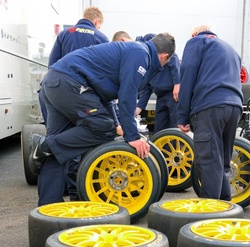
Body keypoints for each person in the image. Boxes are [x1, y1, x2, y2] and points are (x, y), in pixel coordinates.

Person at [29, 33, 176, 206]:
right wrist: (132, 136)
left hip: (55, 82)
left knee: (57, 150)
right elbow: (127, 95)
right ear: (164, 56)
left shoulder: (133, 51)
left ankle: (48, 206)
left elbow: (105, 97)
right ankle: (45, 144)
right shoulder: (141, 54)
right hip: (71, 84)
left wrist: (118, 124)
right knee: (103, 129)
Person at [39, 6, 120, 201]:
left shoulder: (65, 34)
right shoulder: (100, 37)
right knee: (87, 140)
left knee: (56, 146)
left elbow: (52, 65)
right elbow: (102, 81)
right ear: (97, 22)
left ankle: (48, 204)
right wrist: (116, 121)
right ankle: (79, 194)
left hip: (55, 89)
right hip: (83, 96)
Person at [177, 25, 243, 201]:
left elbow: (187, 75)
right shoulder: (230, 49)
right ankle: (224, 210)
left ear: (194, 34)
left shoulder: (197, 42)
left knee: (208, 162)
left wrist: (182, 116)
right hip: (235, 106)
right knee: (222, 163)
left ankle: (209, 214)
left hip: (210, 107)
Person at [112, 31, 180, 133]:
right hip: (160, 95)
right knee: (159, 129)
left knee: (174, 128)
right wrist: (138, 108)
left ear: (122, 40)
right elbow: (147, 86)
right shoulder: (140, 60)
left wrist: (177, 84)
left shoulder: (148, 40)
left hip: (173, 94)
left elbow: (172, 56)